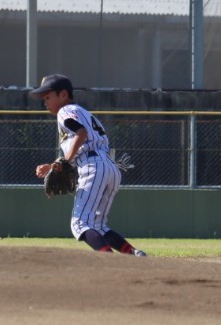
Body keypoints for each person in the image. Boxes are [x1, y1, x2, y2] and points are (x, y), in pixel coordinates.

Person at [31, 74, 146, 256]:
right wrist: (54, 165)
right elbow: (84, 141)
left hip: (92, 167)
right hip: (109, 167)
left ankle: (108, 259)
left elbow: (81, 133)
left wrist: (65, 161)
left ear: (63, 95)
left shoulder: (64, 111)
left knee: (80, 224)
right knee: (98, 226)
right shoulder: (84, 112)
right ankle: (134, 254)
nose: (45, 102)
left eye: (48, 97)